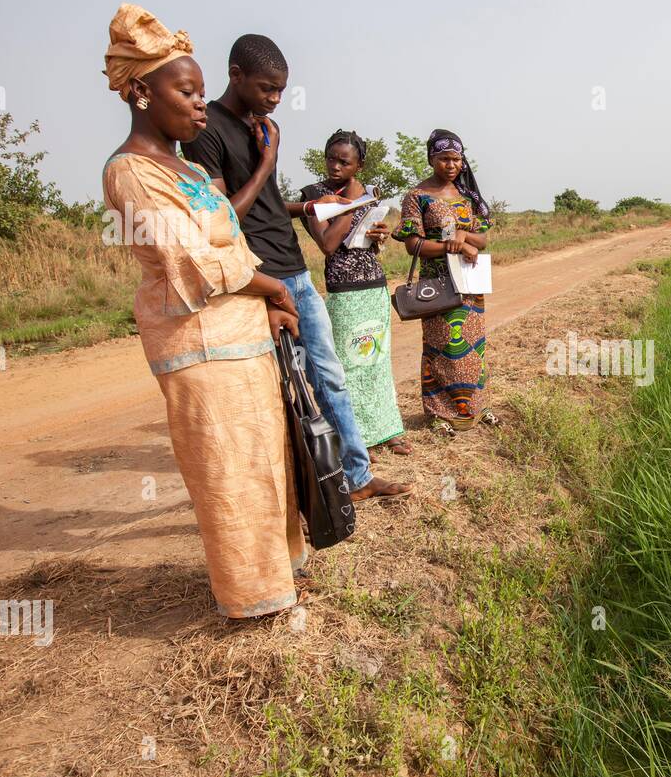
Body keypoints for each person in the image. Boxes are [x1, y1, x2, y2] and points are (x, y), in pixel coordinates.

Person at [101, 3, 304, 618]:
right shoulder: (131, 174)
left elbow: (233, 242)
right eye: (185, 91)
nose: (199, 103)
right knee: (228, 472)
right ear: (140, 92)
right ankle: (251, 599)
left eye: (200, 91)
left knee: (268, 461)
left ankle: (280, 577)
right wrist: (271, 288)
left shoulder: (186, 167)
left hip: (244, 338)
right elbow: (193, 262)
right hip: (201, 348)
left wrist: (264, 302)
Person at [181, 34, 411, 501]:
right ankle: (298, 492)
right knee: (281, 390)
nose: (275, 99)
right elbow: (224, 216)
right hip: (258, 276)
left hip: (295, 269)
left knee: (329, 375)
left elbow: (262, 203)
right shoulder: (206, 133)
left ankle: (357, 476)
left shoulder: (260, 125)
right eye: (267, 88)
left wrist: (305, 209)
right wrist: (268, 161)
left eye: (281, 91)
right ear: (235, 75)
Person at [298, 129, 410, 458]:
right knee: (349, 362)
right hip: (343, 289)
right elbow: (328, 244)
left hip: (373, 283)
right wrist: (352, 204)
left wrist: (378, 235)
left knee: (377, 359)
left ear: (358, 165)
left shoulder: (371, 193)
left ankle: (388, 428)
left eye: (344, 162)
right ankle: (359, 435)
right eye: (331, 159)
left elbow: (372, 246)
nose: (335, 166)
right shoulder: (315, 195)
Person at [392, 129, 500, 434]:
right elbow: (413, 245)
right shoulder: (417, 197)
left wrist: (465, 238)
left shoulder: (468, 197)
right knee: (442, 347)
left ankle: (476, 408)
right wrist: (452, 245)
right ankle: (439, 414)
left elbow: (483, 238)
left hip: (469, 284)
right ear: (431, 159)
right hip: (437, 286)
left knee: (473, 346)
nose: (451, 165)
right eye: (444, 159)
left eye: (456, 159)